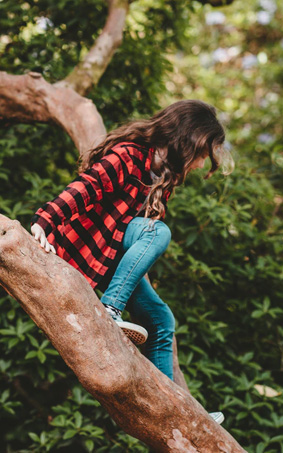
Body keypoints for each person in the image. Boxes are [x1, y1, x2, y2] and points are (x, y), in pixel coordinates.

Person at [30, 100, 234, 424]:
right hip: (92, 246)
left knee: (161, 321)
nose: (198, 165)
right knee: (158, 233)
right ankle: (110, 308)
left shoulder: (164, 176)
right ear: (187, 141)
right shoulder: (129, 154)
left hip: (116, 255)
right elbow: (85, 188)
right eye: (201, 155)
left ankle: (177, 412)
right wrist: (44, 221)